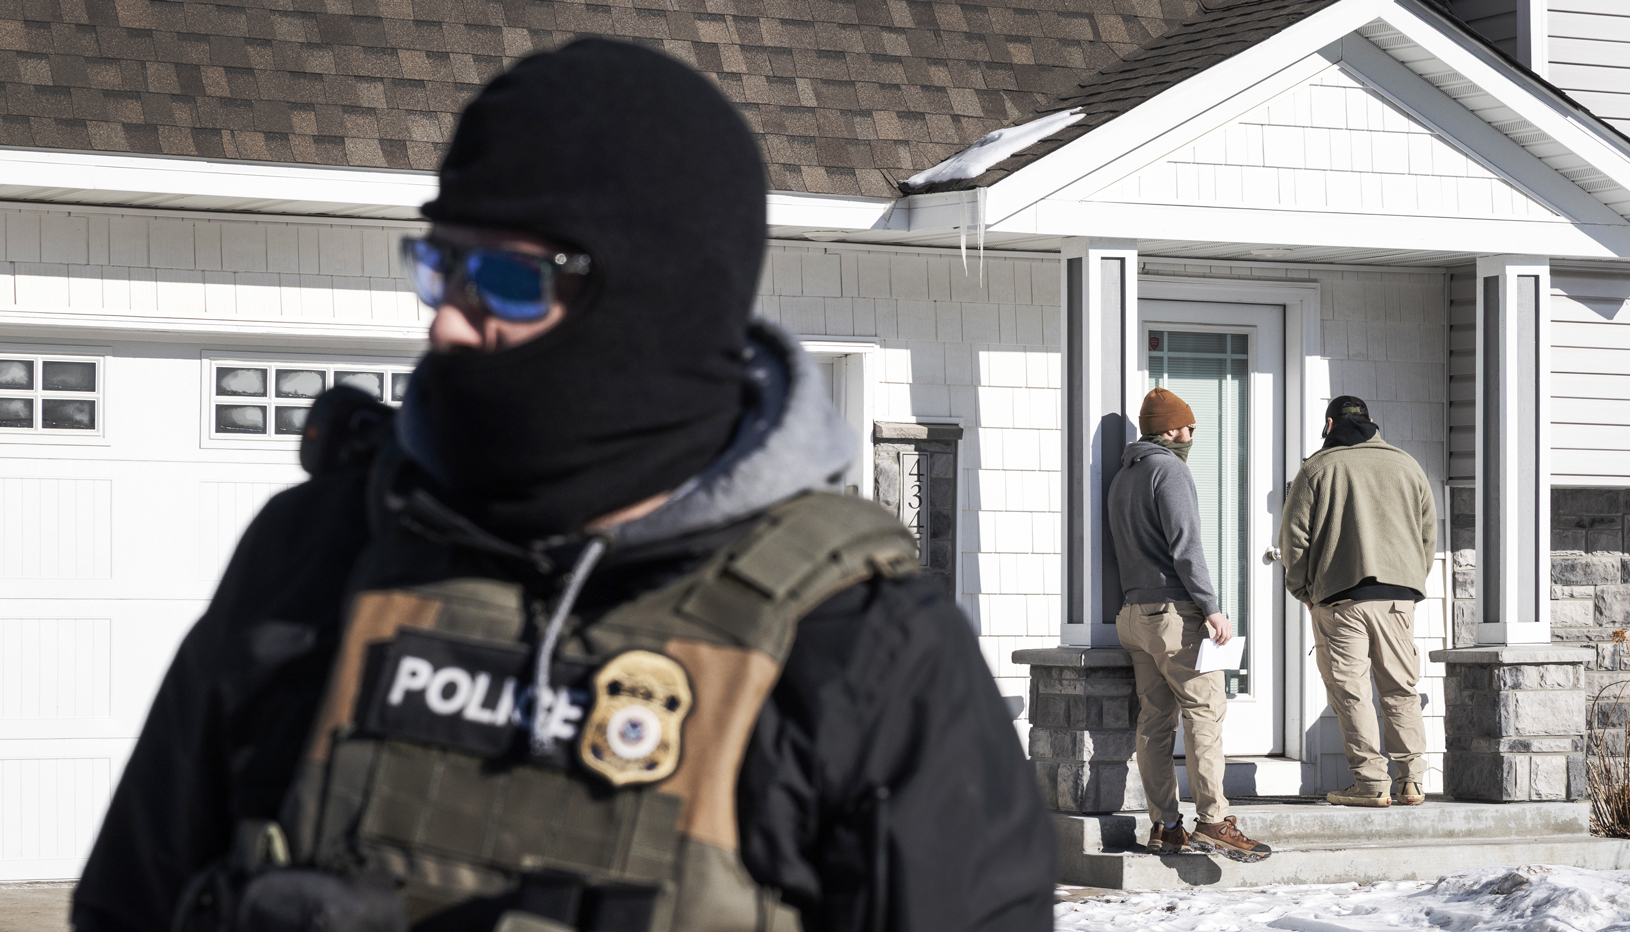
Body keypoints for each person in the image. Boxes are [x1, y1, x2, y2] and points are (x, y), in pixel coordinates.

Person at [71, 41, 1054, 932]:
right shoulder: (318, 551)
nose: (448, 324)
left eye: (502, 280)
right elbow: (129, 903)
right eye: (439, 266)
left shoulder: (867, 646)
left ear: (655, 300)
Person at [1106, 387, 1271, 863]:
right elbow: (1186, 546)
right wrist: (1211, 607)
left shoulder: (1123, 476)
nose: (1192, 435)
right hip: (1176, 616)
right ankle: (1215, 821)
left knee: (1155, 722)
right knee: (1204, 711)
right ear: (1172, 429)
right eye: (1189, 427)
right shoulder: (1169, 470)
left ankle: (1166, 826)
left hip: (1135, 616)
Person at [1280, 395, 1436, 808]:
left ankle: (1370, 782)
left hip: (1340, 596)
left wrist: (1303, 592)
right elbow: (1427, 536)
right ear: (1371, 422)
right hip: (1397, 598)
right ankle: (1411, 781)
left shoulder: (1317, 468)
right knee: (1400, 688)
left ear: (1330, 424)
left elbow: (1295, 540)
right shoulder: (1407, 464)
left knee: (1352, 692)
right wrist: (1409, 582)